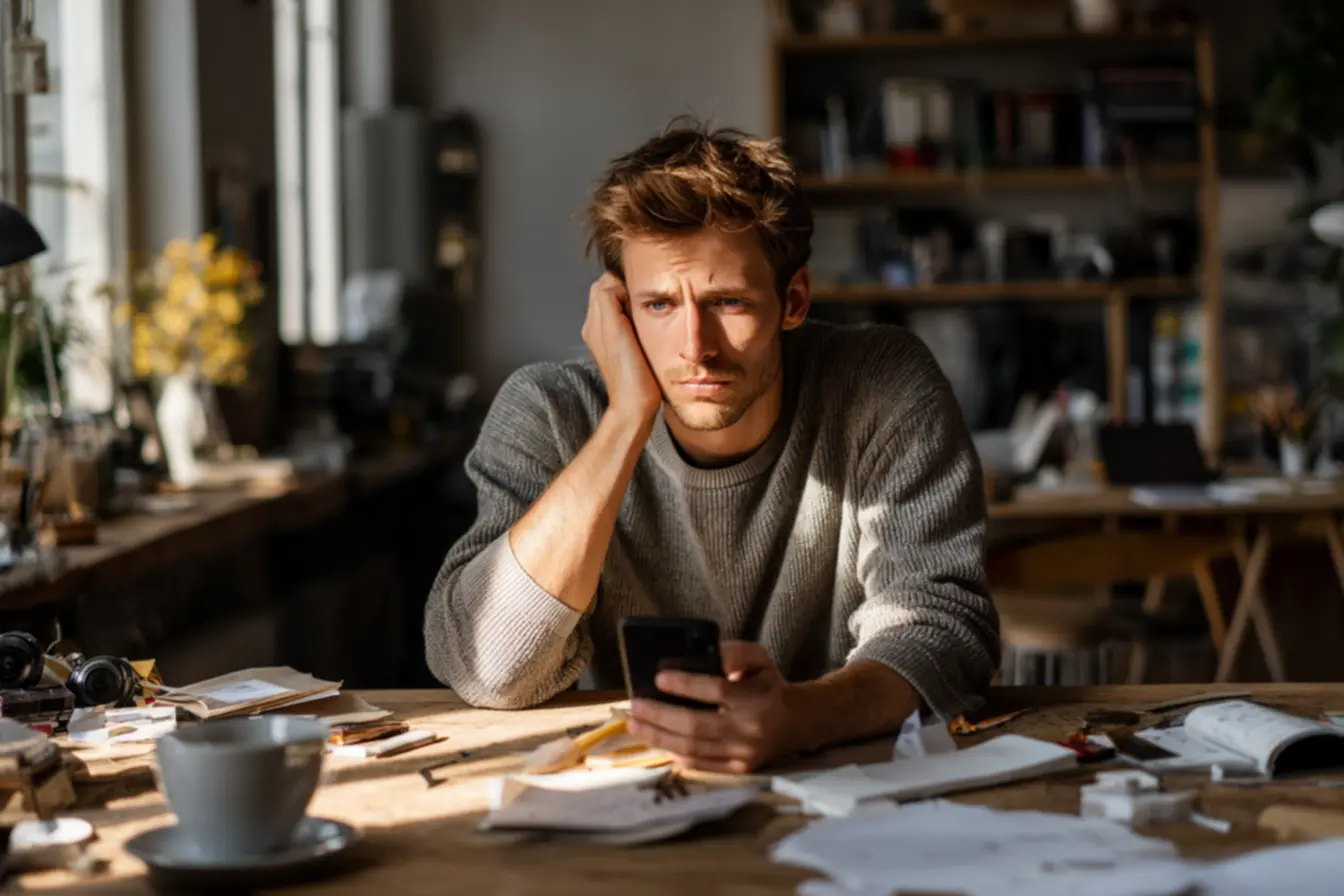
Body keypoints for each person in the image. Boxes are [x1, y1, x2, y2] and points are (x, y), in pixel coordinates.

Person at [424, 117, 999, 773]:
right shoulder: (548, 411)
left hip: (851, 785)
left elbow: (945, 630)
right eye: (659, 305)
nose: (695, 347)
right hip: (633, 791)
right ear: (618, 310)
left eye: (727, 301)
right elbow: (486, 669)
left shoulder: (881, 387)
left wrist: (800, 718)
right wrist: (625, 420)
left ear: (794, 299)